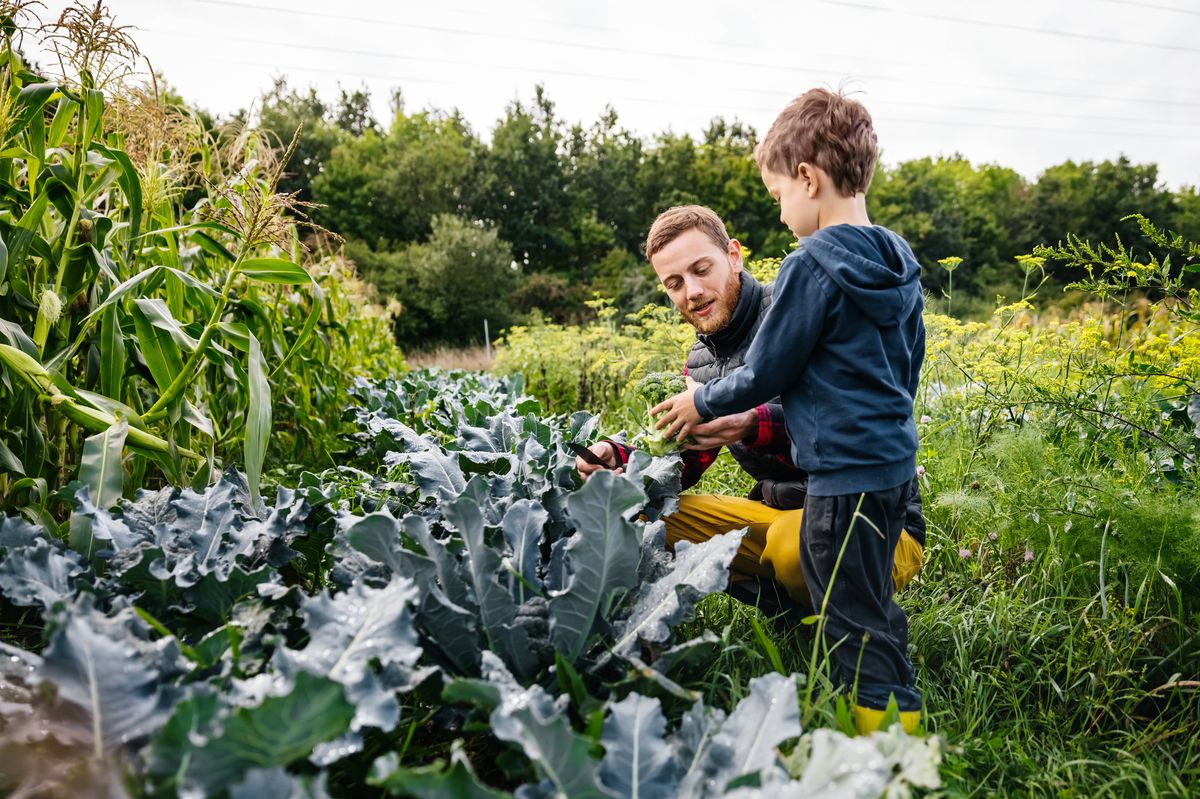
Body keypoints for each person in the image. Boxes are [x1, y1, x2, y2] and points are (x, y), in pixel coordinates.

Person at [651, 89, 926, 736]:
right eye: (673, 283)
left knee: (856, 625)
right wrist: (632, 456)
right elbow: (908, 366)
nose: (782, 213)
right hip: (887, 471)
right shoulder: (896, 257)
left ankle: (884, 751)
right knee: (865, 617)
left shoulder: (808, 268)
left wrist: (709, 402)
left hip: (837, 481)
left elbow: (766, 371)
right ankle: (885, 719)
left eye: (778, 196)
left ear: (807, 178)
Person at [574, 204, 925, 616]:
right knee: (641, 520)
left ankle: (830, 623)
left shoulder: (798, 307)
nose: (693, 291)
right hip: (780, 514)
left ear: (734, 256)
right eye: (674, 283)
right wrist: (620, 458)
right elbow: (686, 460)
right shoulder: (699, 363)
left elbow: (844, 412)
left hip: (870, 522)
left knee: (792, 548)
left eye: (701, 269)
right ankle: (784, 600)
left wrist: (746, 423)